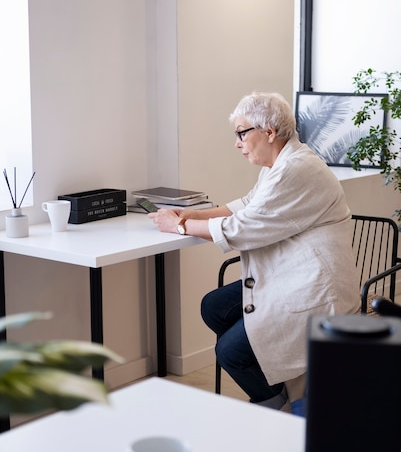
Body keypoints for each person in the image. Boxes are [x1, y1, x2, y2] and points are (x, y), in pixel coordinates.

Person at [149, 92, 360, 415]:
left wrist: (177, 228)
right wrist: (188, 215)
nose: (237, 142)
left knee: (230, 352)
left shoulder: (296, 169)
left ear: (269, 132)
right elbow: (245, 206)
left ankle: (280, 410)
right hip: (287, 275)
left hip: (314, 289)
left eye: (242, 132)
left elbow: (241, 229)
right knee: (214, 307)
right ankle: (270, 373)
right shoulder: (280, 165)